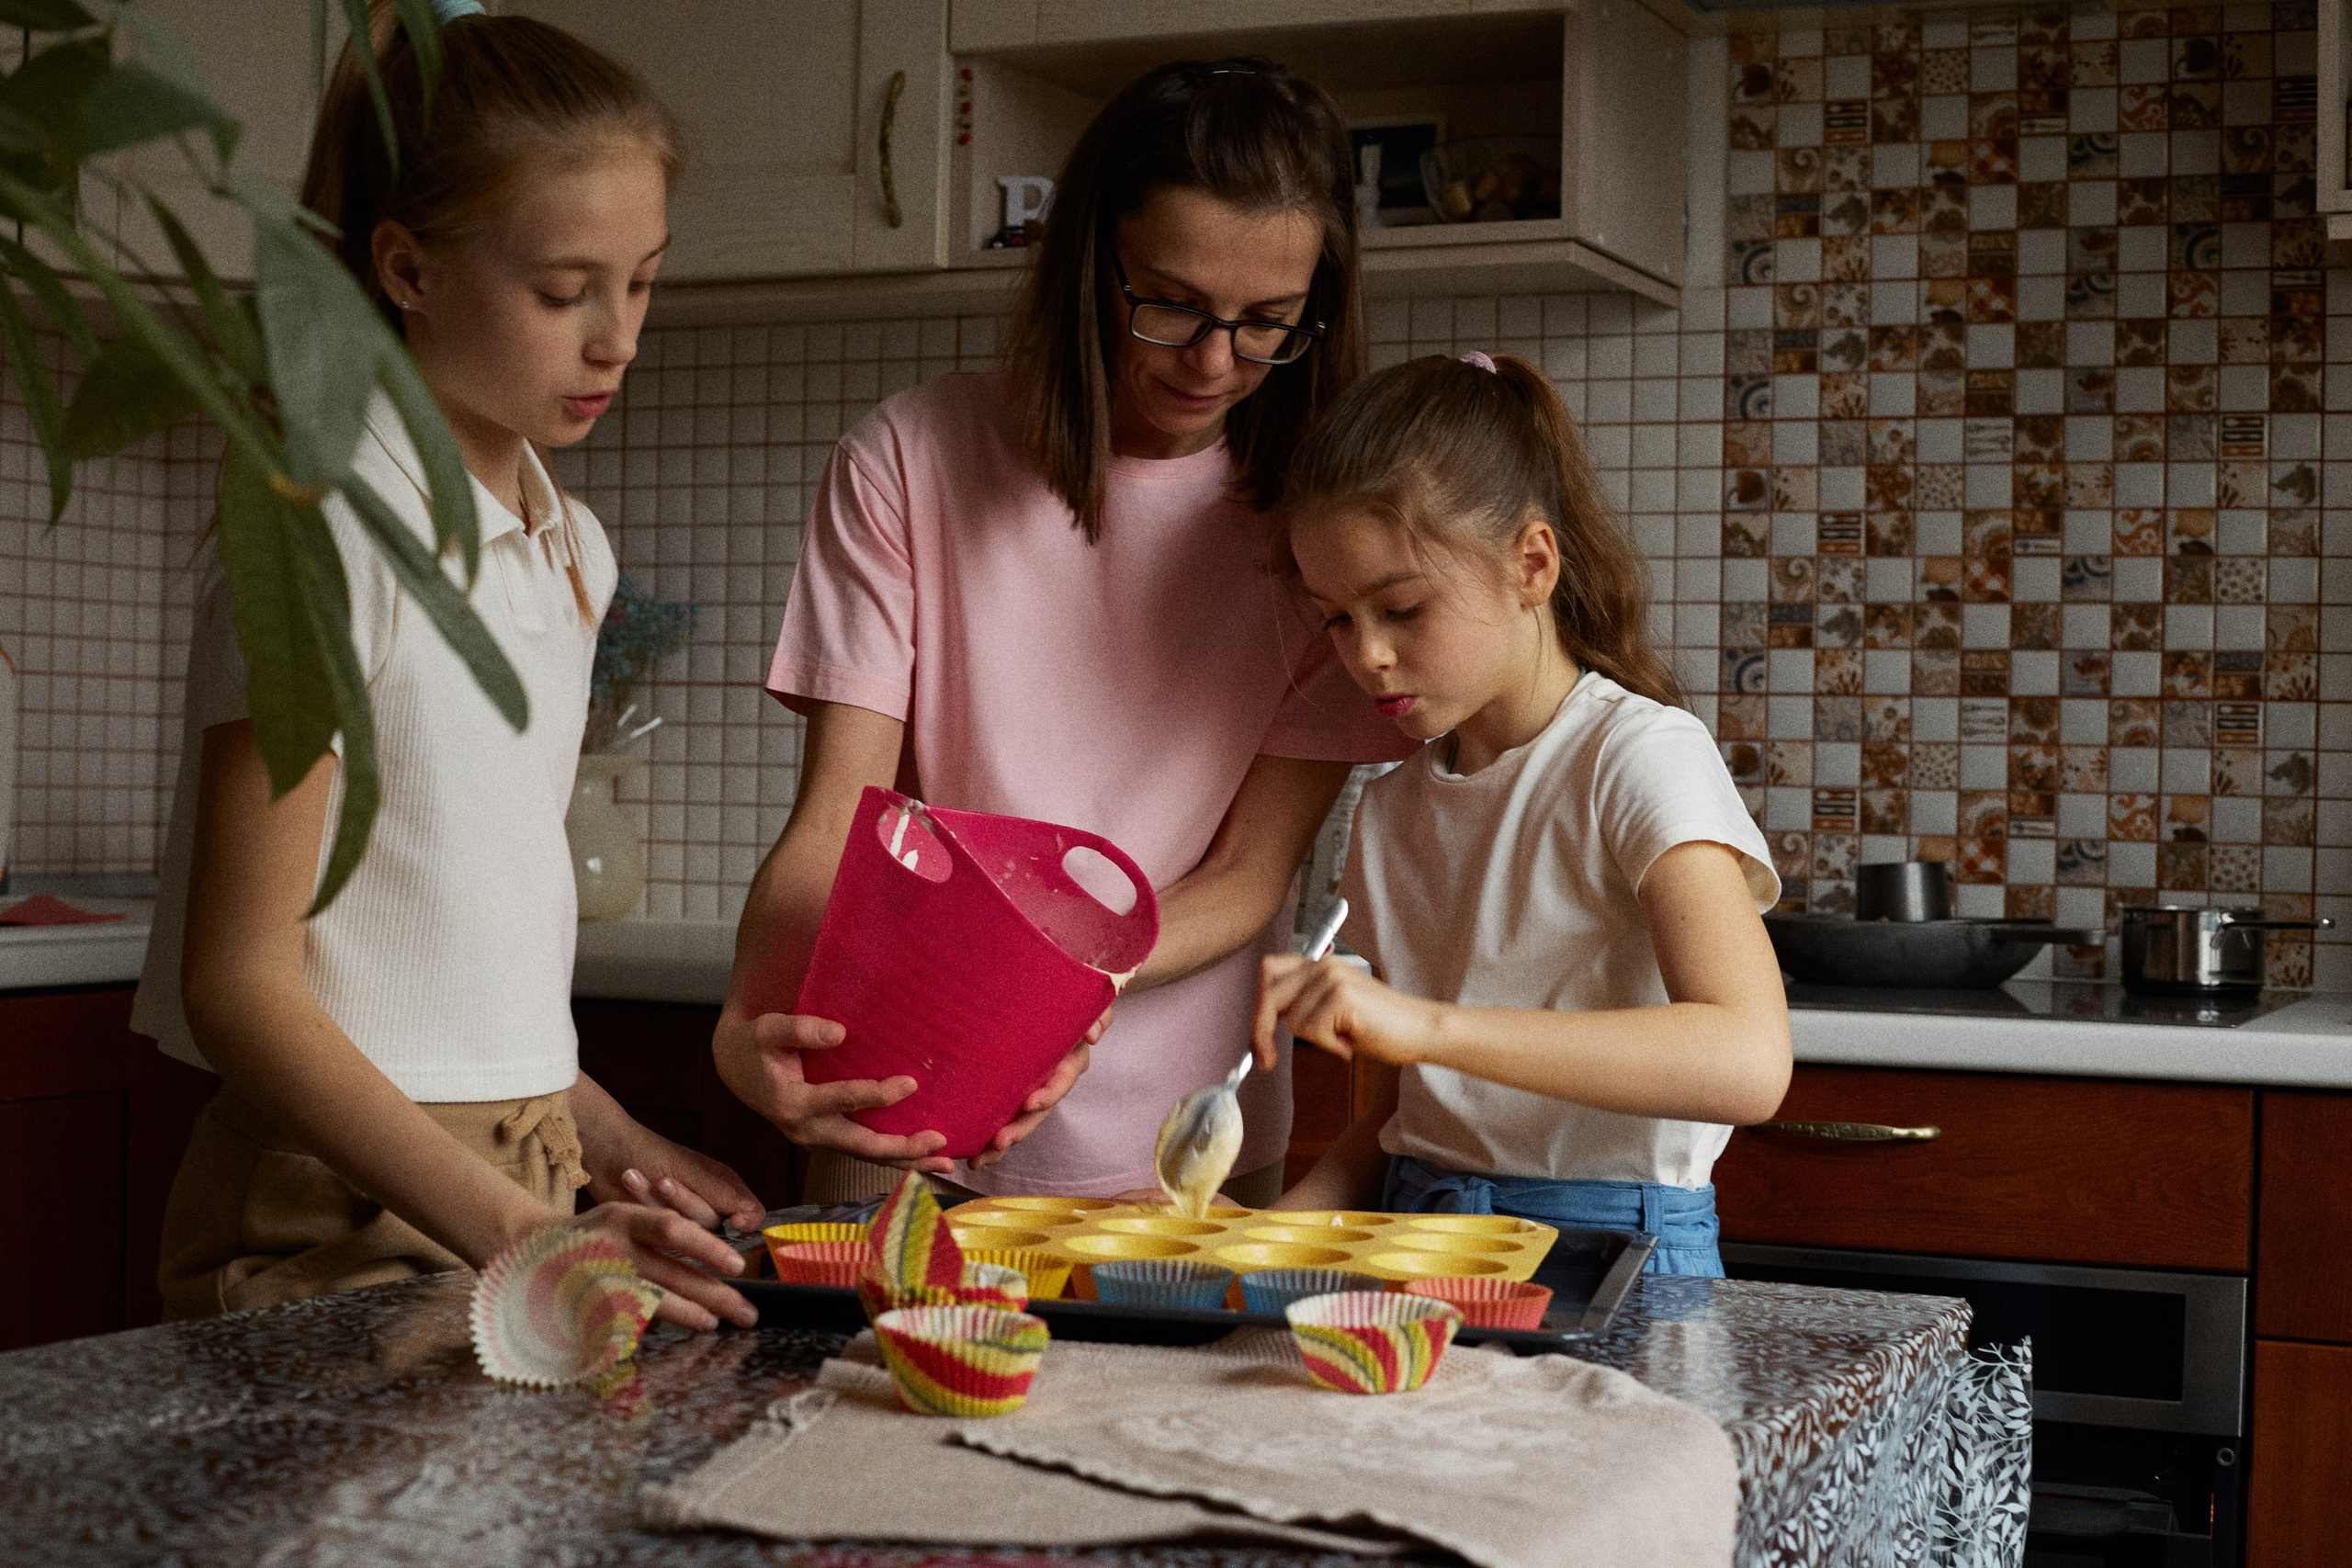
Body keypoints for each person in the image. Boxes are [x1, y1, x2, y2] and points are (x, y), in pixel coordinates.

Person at [131, 0, 762, 1328]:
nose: (619, 337)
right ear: (407, 268)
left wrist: (609, 1139)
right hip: (332, 1205)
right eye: (562, 289)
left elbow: (465, 957)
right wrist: (531, 1234)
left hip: (517, 1181)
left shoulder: (567, 545)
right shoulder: (317, 520)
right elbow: (240, 983)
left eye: (642, 279)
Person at [718, 58, 1413, 1204]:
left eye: (1266, 324)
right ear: (1084, 258)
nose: (1213, 362)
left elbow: (1247, 877)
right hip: (902, 1104)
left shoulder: (1322, 527)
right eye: (1173, 304)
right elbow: (841, 814)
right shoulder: (908, 459)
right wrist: (750, 1015)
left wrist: (1043, 991)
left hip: (1184, 1142)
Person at [1254, 352, 1792, 1275]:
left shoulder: (1635, 756)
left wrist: (1423, 1023)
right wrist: (1268, 1238)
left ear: (1531, 564)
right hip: (1409, 1234)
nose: (1367, 656)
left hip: (1610, 1252)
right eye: (1336, 620)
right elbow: (1398, 1120)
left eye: (1402, 608)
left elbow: (1748, 1060)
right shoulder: (1386, 809)